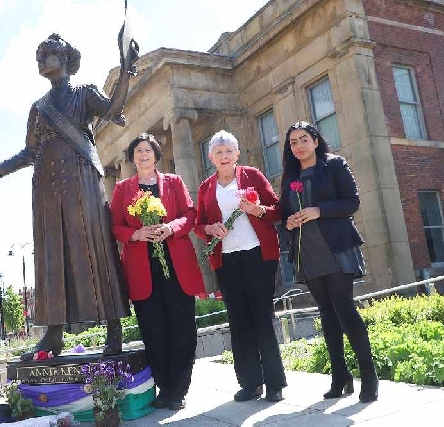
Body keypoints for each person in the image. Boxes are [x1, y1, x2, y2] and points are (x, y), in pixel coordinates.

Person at [0, 31, 139, 360]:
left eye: (48, 55)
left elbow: (114, 108)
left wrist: (126, 68)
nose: (42, 61)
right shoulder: (38, 107)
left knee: (94, 250)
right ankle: (54, 334)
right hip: (45, 186)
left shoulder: (84, 93)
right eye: (39, 57)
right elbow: (30, 152)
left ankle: (114, 329)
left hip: (81, 179)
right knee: (51, 256)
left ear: (66, 59)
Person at [279, 121, 378, 403]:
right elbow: (285, 212)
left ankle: (369, 376)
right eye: (293, 142)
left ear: (315, 140)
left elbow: (352, 202)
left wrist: (317, 210)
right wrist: (289, 220)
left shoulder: (334, 165)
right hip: (307, 251)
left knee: (345, 310)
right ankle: (340, 376)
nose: (298, 146)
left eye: (303, 140)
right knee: (326, 313)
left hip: (336, 248)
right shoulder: (290, 176)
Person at [110, 133, 205, 410]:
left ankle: (178, 390)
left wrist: (171, 228)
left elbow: (190, 215)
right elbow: (115, 226)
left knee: (183, 328)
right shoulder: (122, 189)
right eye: (138, 151)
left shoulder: (174, 182)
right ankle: (163, 388)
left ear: (156, 155)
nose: (143, 155)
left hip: (176, 267)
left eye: (147, 150)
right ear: (132, 157)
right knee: (154, 331)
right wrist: (136, 233)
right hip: (143, 269)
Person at [195, 130, 287, 403]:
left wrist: (256, 210)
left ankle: (274, 383)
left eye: (228, 151)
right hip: (226, 260)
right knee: (238, 320)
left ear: (237, 154)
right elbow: (199, 225)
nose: (224, 156)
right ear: (211, 157)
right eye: (218, 152)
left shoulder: (253, 176)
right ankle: (249, 383)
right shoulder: (205, 188)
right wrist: (210, 228)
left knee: (261, 316)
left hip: (258, 254)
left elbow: (277, 211)